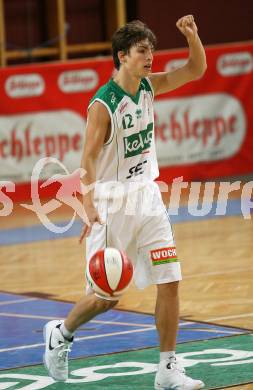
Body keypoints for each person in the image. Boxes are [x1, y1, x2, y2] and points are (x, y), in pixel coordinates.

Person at [43, 15, 207, 389]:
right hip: (111, 201)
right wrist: (87, 205)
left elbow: (195, 69)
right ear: (122, 56)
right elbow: (85, 160)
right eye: (142, 51)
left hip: (147, 195)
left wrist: (192, 36)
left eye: (151, 49)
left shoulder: (149, 87)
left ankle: (167, 369)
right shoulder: (103, 104)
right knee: (106, 297)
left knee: (170, 279)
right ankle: (61, 334)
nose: (150, 56)